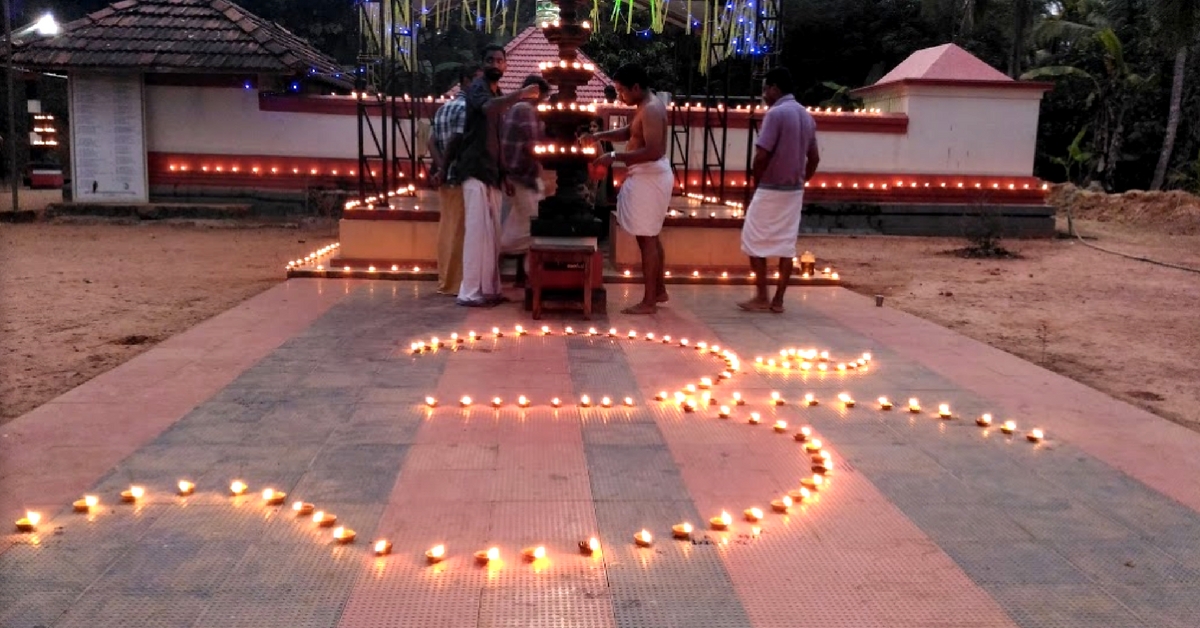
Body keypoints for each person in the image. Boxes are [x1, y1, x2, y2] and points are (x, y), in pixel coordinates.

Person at [455, 44, 542, 307]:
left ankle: (490, 290)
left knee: (491, 236)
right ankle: (470, 292)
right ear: (483, 65)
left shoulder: (498, 93)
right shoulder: (478, 90)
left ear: (506, 66)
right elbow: (489, 109)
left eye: (500, 60)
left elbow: (498, 137)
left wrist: (504, 173)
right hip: (475, 170)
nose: (495, 64)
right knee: (476, 234)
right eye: (490, 60)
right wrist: (521, 94)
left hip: (492, 172)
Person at [583, 64, 673, 315]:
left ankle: (649, 302)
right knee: (651, 236)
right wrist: (600, 135)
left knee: (647, 239)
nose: (620, 96)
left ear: (636, 87)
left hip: (650, 177)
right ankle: (659, 290)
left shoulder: (652, 109)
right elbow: (629, 132)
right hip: (645, 176)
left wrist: (613, 156)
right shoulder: (643, 106)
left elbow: (654, 151)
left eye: (622, 91)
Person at [738, 67, 820, 313]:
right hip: (794, 191)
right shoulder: (807, 116)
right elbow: (814, 158)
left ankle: (762, 296)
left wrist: (756, 181)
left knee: (753, 240)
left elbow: (761, 155)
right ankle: (778, 300)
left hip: (771, 187)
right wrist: (801, 180)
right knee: (786, 245)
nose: (764, 94)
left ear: (775, 88)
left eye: (765, 88)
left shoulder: (775, 114)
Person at [427, 65, 478, 295]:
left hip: (446, 177)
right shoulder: (467, 108)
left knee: (447, 227)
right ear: (466, 81)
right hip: (459, 175)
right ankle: (455, 283)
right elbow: (455, 141)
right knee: (460, 231)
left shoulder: (443, 109)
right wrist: (446, 166)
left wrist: (439, 169)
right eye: (477, 80)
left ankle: (444, 280)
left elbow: (431, 142)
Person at [499, 75, 551, 284]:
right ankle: (500, 257)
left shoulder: (514, 108)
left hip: (515, 176)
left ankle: (523, 275)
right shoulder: (526, 110)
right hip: (521, 177)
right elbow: (532, 145)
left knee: (521, 224)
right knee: (530, 228)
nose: (544, 103)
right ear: (536, 92)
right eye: (544, 97)